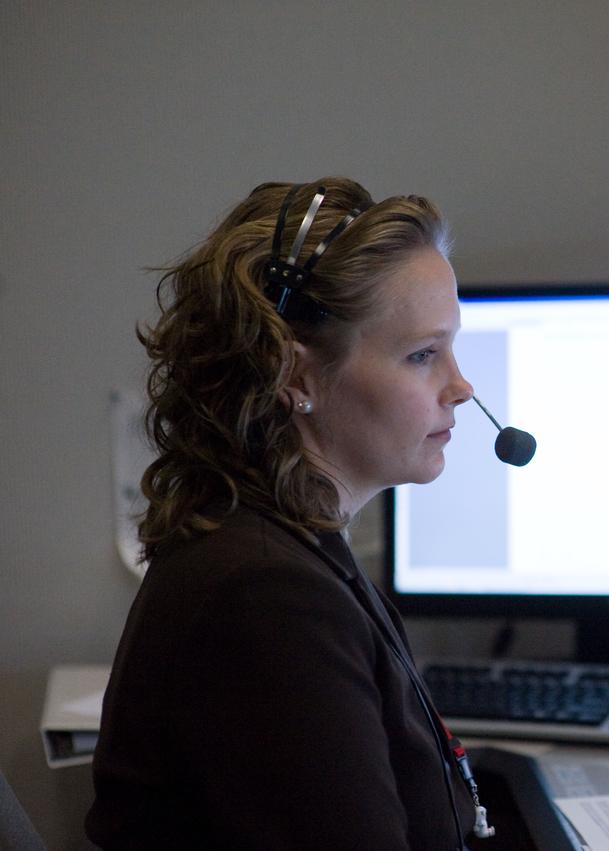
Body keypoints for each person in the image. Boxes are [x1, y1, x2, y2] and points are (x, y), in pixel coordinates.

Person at [86, 178, 484, 849]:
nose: (462, 387)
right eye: (422, 355)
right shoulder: (267, 598)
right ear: (294, 377)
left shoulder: (284, 546)